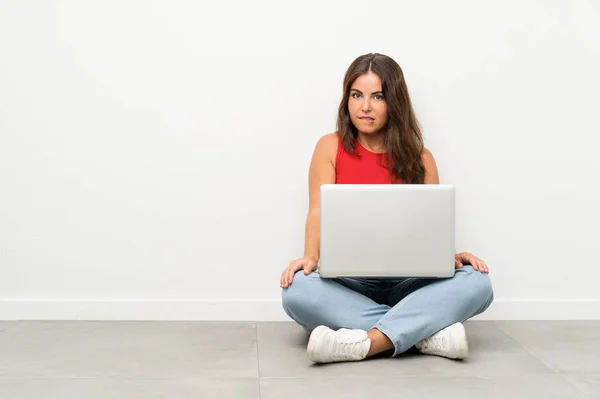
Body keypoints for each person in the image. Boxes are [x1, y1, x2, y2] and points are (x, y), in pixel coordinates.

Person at [280, 53, 494, 364]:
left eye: (377, 97)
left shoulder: (422, 159)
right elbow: (317, 212)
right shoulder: (330, 146)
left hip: (409, 283)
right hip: (349, 282)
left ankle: (367, 342)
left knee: (478, 282)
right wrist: (310, 257)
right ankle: (424, 335)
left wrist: (447, 255)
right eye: (357, 95)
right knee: (297, 290)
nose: (364, 107)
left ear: (394, 102)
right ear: (346, 100)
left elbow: (429, 229)